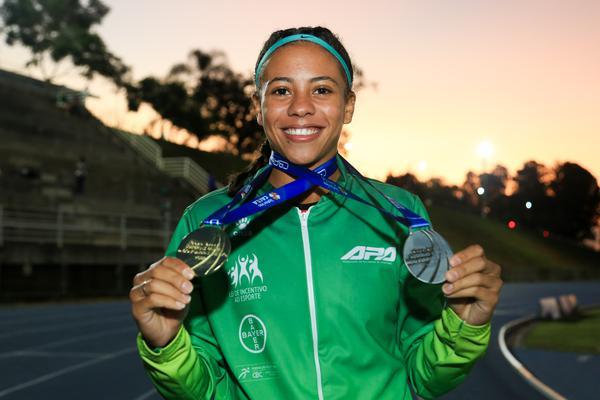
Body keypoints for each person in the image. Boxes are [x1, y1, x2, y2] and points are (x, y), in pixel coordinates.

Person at [130, 26, 503, 400]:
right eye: (280, 90)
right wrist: (168, 346)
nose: (300, 106)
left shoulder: (402, 215)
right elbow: (203, 390)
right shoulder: (208, 223)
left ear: (349, 105)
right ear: (257, 107)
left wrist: (463, 326)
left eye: (321, 89)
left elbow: (426, 379)